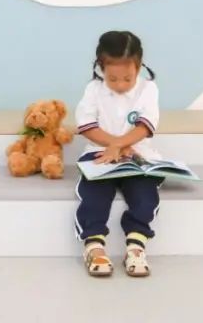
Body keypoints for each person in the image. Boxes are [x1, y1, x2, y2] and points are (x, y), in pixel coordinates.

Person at [74, 30, 161, 278]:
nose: (120, 85)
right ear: (101, 68)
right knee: (94, 194)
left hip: (136, 154)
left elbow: (145, 126)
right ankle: (94, 245)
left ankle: (136, 245)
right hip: (100, 153)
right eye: (112, 79)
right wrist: (115, 145)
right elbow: (86, 126)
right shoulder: (93, 89)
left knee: (145, 195)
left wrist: (122, 146)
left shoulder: (149, 88)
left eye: (127, 78)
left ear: (139, 67)